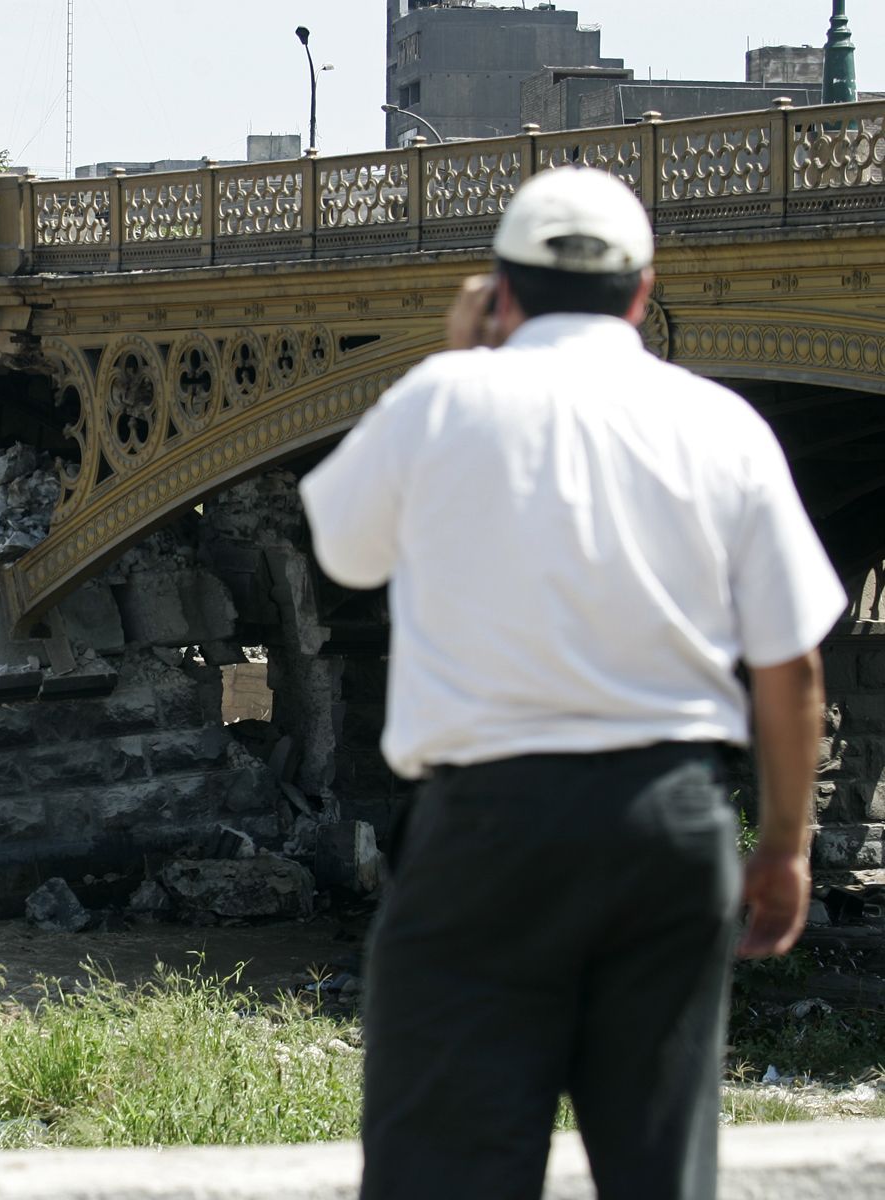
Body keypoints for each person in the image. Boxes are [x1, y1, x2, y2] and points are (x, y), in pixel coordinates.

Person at [300, 167, 844, 1200]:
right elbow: (792, 661)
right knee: (658, 1169)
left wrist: (455, 366)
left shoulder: (443, 397)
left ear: (500, 291)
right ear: (642, 295)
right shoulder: (722, 425)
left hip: (485, 831)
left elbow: (346, 553)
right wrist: (783, 847)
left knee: (442, 1172)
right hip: (669, 827)